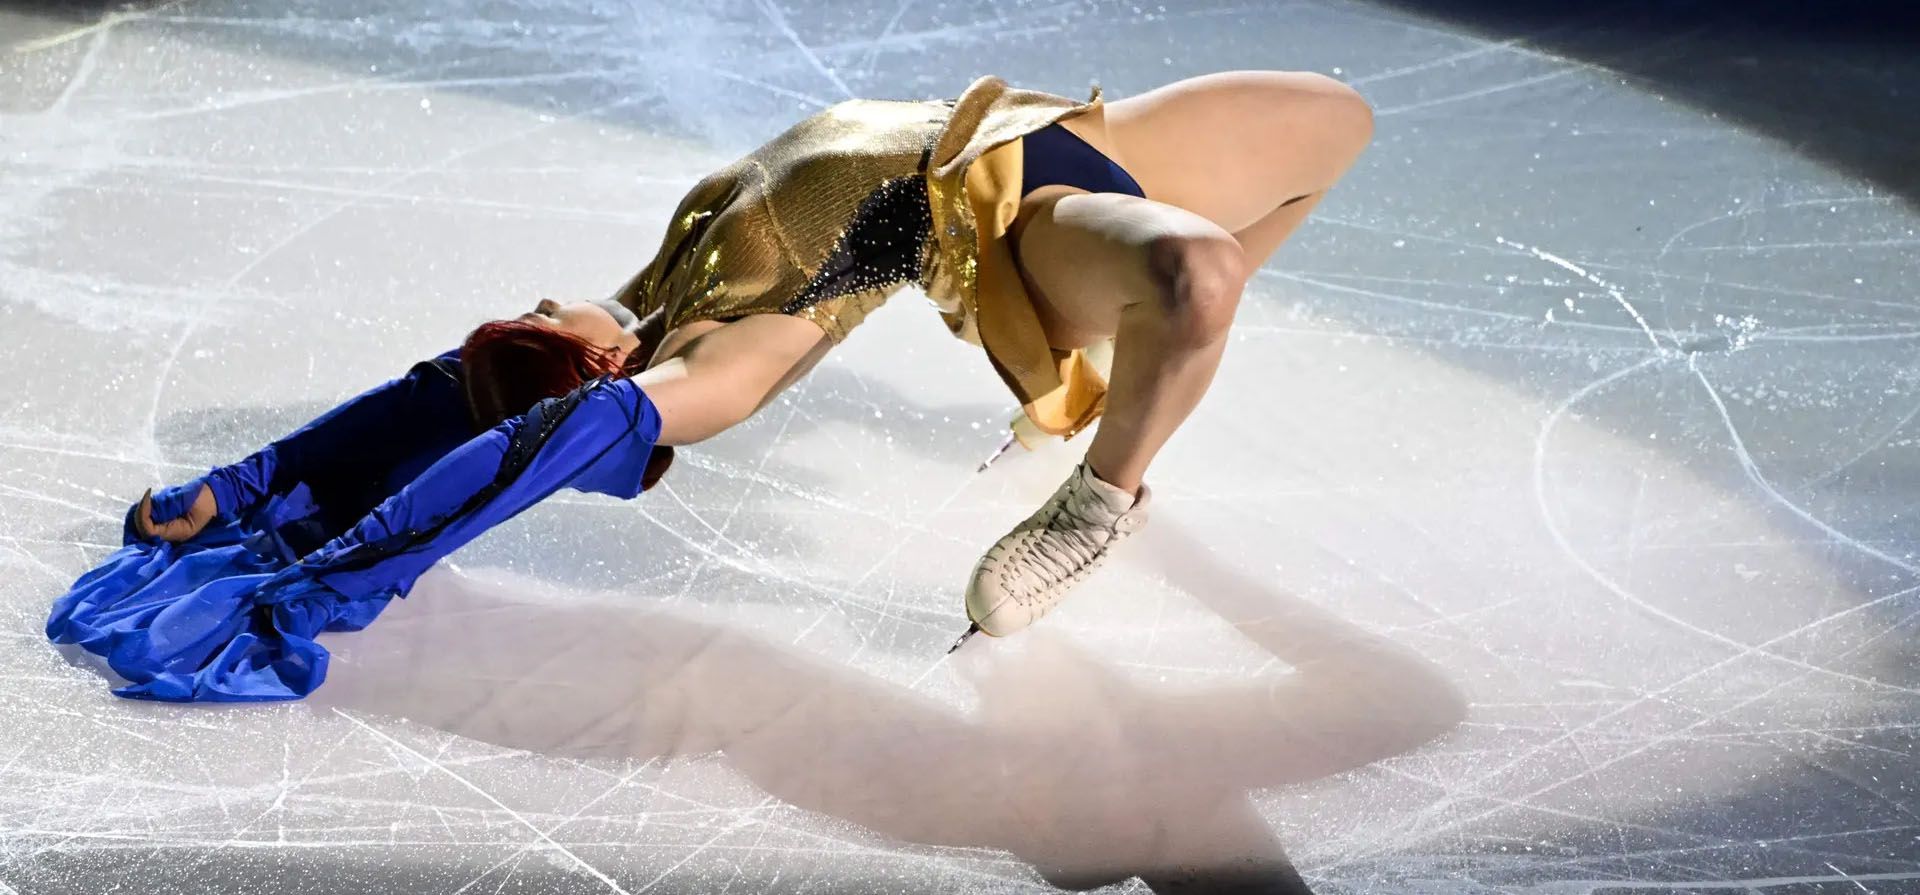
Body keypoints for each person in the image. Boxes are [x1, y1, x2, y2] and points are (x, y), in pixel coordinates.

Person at [74, 71, 1373, 694]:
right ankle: (1100, 497)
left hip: (1055, 136)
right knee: (1200, 278)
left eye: (534, 315)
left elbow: (462, 387)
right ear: (589, 373)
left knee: (1338, 121)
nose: (540, 306)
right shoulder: (716, 352)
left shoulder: (668, 266)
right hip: (1025, 231)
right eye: (538, 331)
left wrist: (244, 482)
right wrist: (329, 571)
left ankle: (1118, 374)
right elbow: (532, 424)